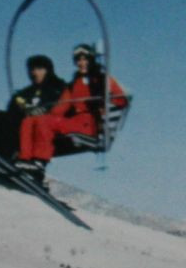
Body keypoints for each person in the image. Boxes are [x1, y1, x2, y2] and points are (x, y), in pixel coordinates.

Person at [16, 43, 127, 178]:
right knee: (29, 120)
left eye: (85, 59)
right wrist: (42, 113)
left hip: (88, 123)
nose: (82, 63)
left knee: (44, 122)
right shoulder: (74, 84)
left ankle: (40, 161)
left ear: (91, 60)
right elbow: (62, 106)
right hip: (74, 122)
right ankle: (25, 158)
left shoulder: (101, 79)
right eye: (78, 60)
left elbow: (121, 98)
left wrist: (105, 104)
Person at [0, 54, 65, 161]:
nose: (34, 73)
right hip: (23, 126)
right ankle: (0, 158)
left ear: (47, 70)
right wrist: (20, 106)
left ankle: (27, 159)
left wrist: (43, 110)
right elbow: (13, 107)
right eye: (32, 70)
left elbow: (61, 105)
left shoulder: (57, 88)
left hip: (45, 125)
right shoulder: (25, 92)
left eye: (39, 69)